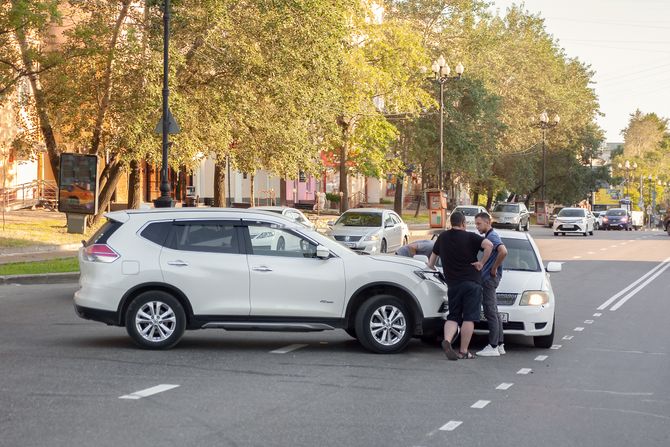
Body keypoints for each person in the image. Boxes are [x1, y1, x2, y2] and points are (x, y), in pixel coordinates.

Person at [427, 211, 493, 360]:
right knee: (469, 317)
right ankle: (464, 351)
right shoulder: (470, 236)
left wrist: (433, 267)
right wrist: (481, 263)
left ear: (451, 223)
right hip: (472, 282)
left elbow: (431, 261)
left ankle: (448, 340)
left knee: (453, 315)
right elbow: (489, 245)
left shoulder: (442, 237)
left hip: (453, 284)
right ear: (463, 224)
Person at [474, 212, 508, 357]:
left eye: (479, 224)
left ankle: (493, 346)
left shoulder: (492, 236)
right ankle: (500, 344)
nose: (477, 227)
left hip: (488, 279)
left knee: (490, 312)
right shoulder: (490, 236)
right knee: (494, 311)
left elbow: (503, 251)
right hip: (489, 278)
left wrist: (493, 268)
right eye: (476, 224)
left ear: (488, 223)